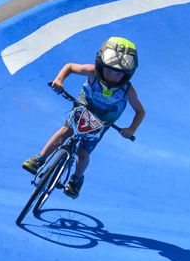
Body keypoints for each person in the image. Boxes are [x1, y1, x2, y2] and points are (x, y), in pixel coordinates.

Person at [22, 37, 145, 199]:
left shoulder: (128, 90)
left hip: (103, 120)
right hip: (83, 107)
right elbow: (70, 67)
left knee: (83, 152)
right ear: (101, 65)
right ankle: (40, 158)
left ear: (127, 74)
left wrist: (131, 129)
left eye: (118, 74)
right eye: (108, 70)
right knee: (65, 132)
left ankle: (77, 179)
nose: (112, 76)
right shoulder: (93, 71)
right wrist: (59, 79)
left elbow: (140, 112)